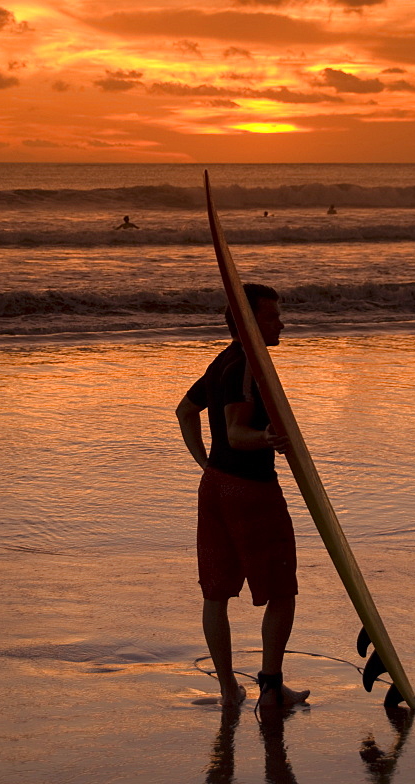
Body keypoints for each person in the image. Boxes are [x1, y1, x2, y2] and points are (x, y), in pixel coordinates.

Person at [176, 283, 309, 710]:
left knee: (216, 593)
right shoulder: (249, 364)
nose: (281, 323)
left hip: (214, 488)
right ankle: (271, 688)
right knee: (281, 590)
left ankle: (229, 691)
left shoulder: (222, 361)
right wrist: (266, 436)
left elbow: (185, 410)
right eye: (271, 316)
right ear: (250, 321)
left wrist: (205, 463)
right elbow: (236, 432)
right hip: (251, 492)